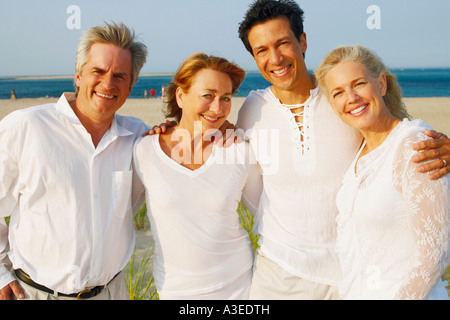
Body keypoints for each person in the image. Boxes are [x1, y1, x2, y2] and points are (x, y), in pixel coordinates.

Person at [234, 0, 450, 299]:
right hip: (279, 273)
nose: (275, 58)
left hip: (347, 277)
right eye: (261, 50)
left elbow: (391, 139)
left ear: (303, 41)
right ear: (254, 57)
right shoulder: (252, 110)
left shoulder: (340, 99)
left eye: (283, 43)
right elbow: (241, 177)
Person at [0, 22, 149, 300]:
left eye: (120, 75)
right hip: (35, 294)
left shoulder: (138, 135)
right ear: (78, 76)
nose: (108, 83)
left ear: (131, 85)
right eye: (98, 71)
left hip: (112, 293)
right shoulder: (27, 126)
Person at [315, 44, 450, 300]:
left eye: (359, 84)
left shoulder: (413, 145)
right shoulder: (359, 155)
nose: (351, 98)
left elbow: (434, 256)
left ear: (382, 85)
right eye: (338, 93)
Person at [133, 53, 262, 299]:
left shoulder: (239, 151)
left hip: (240, 287)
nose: (218, 108)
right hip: (175, 291)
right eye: (208, 96)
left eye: (226, 98)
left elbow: (268, 217)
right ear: (181, 96)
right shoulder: (144, 151)